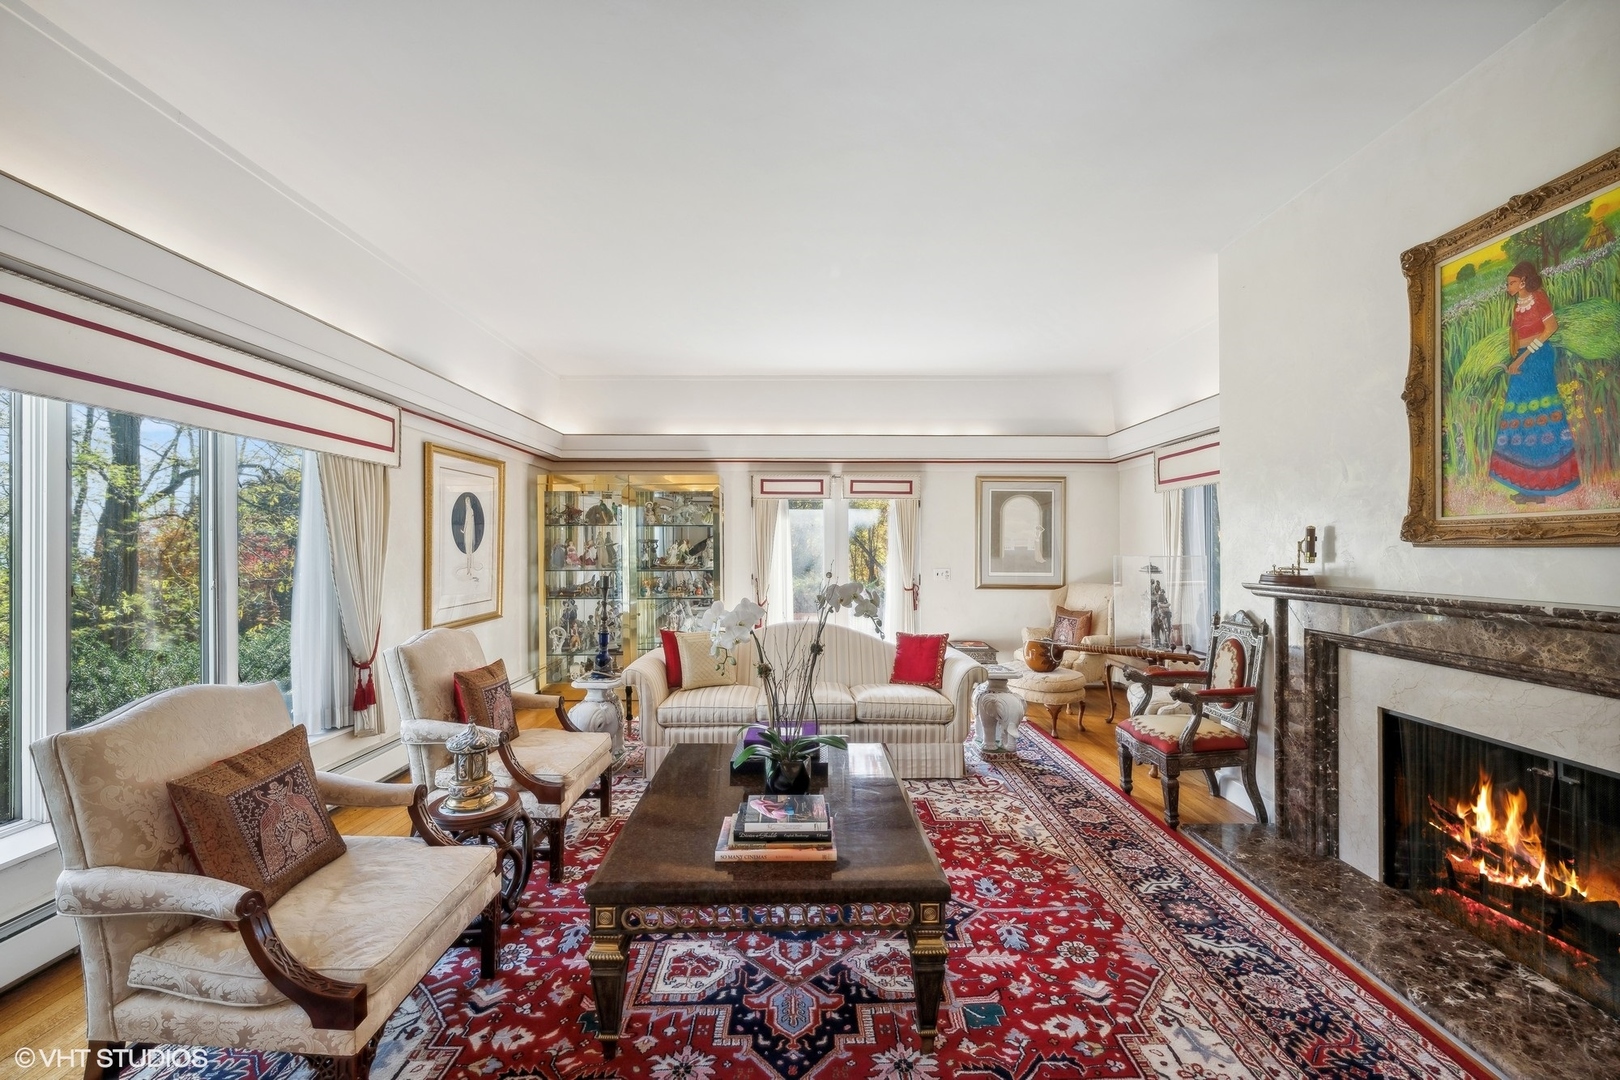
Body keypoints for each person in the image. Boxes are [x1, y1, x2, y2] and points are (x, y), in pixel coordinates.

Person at [1489, 262, 1580, 503]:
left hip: (1537, 358)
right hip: (1521, 359)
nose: (1507, 287)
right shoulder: (1517, 307)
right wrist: (1513, 360)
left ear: (1524, 281)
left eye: (1511, 282)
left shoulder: (1538, 298)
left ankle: (1549, 485)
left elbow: (1551, 327)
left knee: (1541, 416)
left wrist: (1524, 357)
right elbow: (1516, 336)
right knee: (1521, 421)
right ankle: (1530, 487)